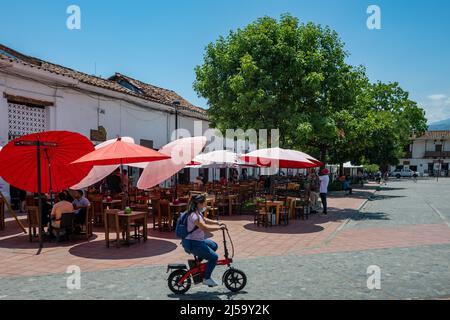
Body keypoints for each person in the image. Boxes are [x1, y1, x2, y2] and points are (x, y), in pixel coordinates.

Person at [181, 195, 227, 287]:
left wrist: (217, 222)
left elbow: (204, 220)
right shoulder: (194, 215)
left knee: (214, 246)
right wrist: (219, 228)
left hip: (198, 240)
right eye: (204, 203)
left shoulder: (197, 212)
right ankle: (207, 278)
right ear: (199, 204)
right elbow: (204, 227)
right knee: (214, 257)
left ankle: (198, 261)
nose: (205, 205)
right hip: (193, 243)